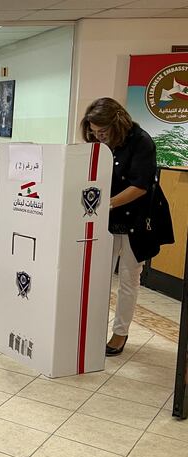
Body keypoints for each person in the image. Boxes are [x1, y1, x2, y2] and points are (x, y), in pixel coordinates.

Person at [81, 97, 164, 356]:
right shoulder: (99, 143)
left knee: (129, 277)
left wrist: (106, 204)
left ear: (117, 123)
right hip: (106, 218)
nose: (99, 137)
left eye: (102, 132)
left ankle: (120, 333)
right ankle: (92, 329)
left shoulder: (141, 142)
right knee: (99, 276)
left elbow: (140, 186)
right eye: (94, 133)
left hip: (137, 219)